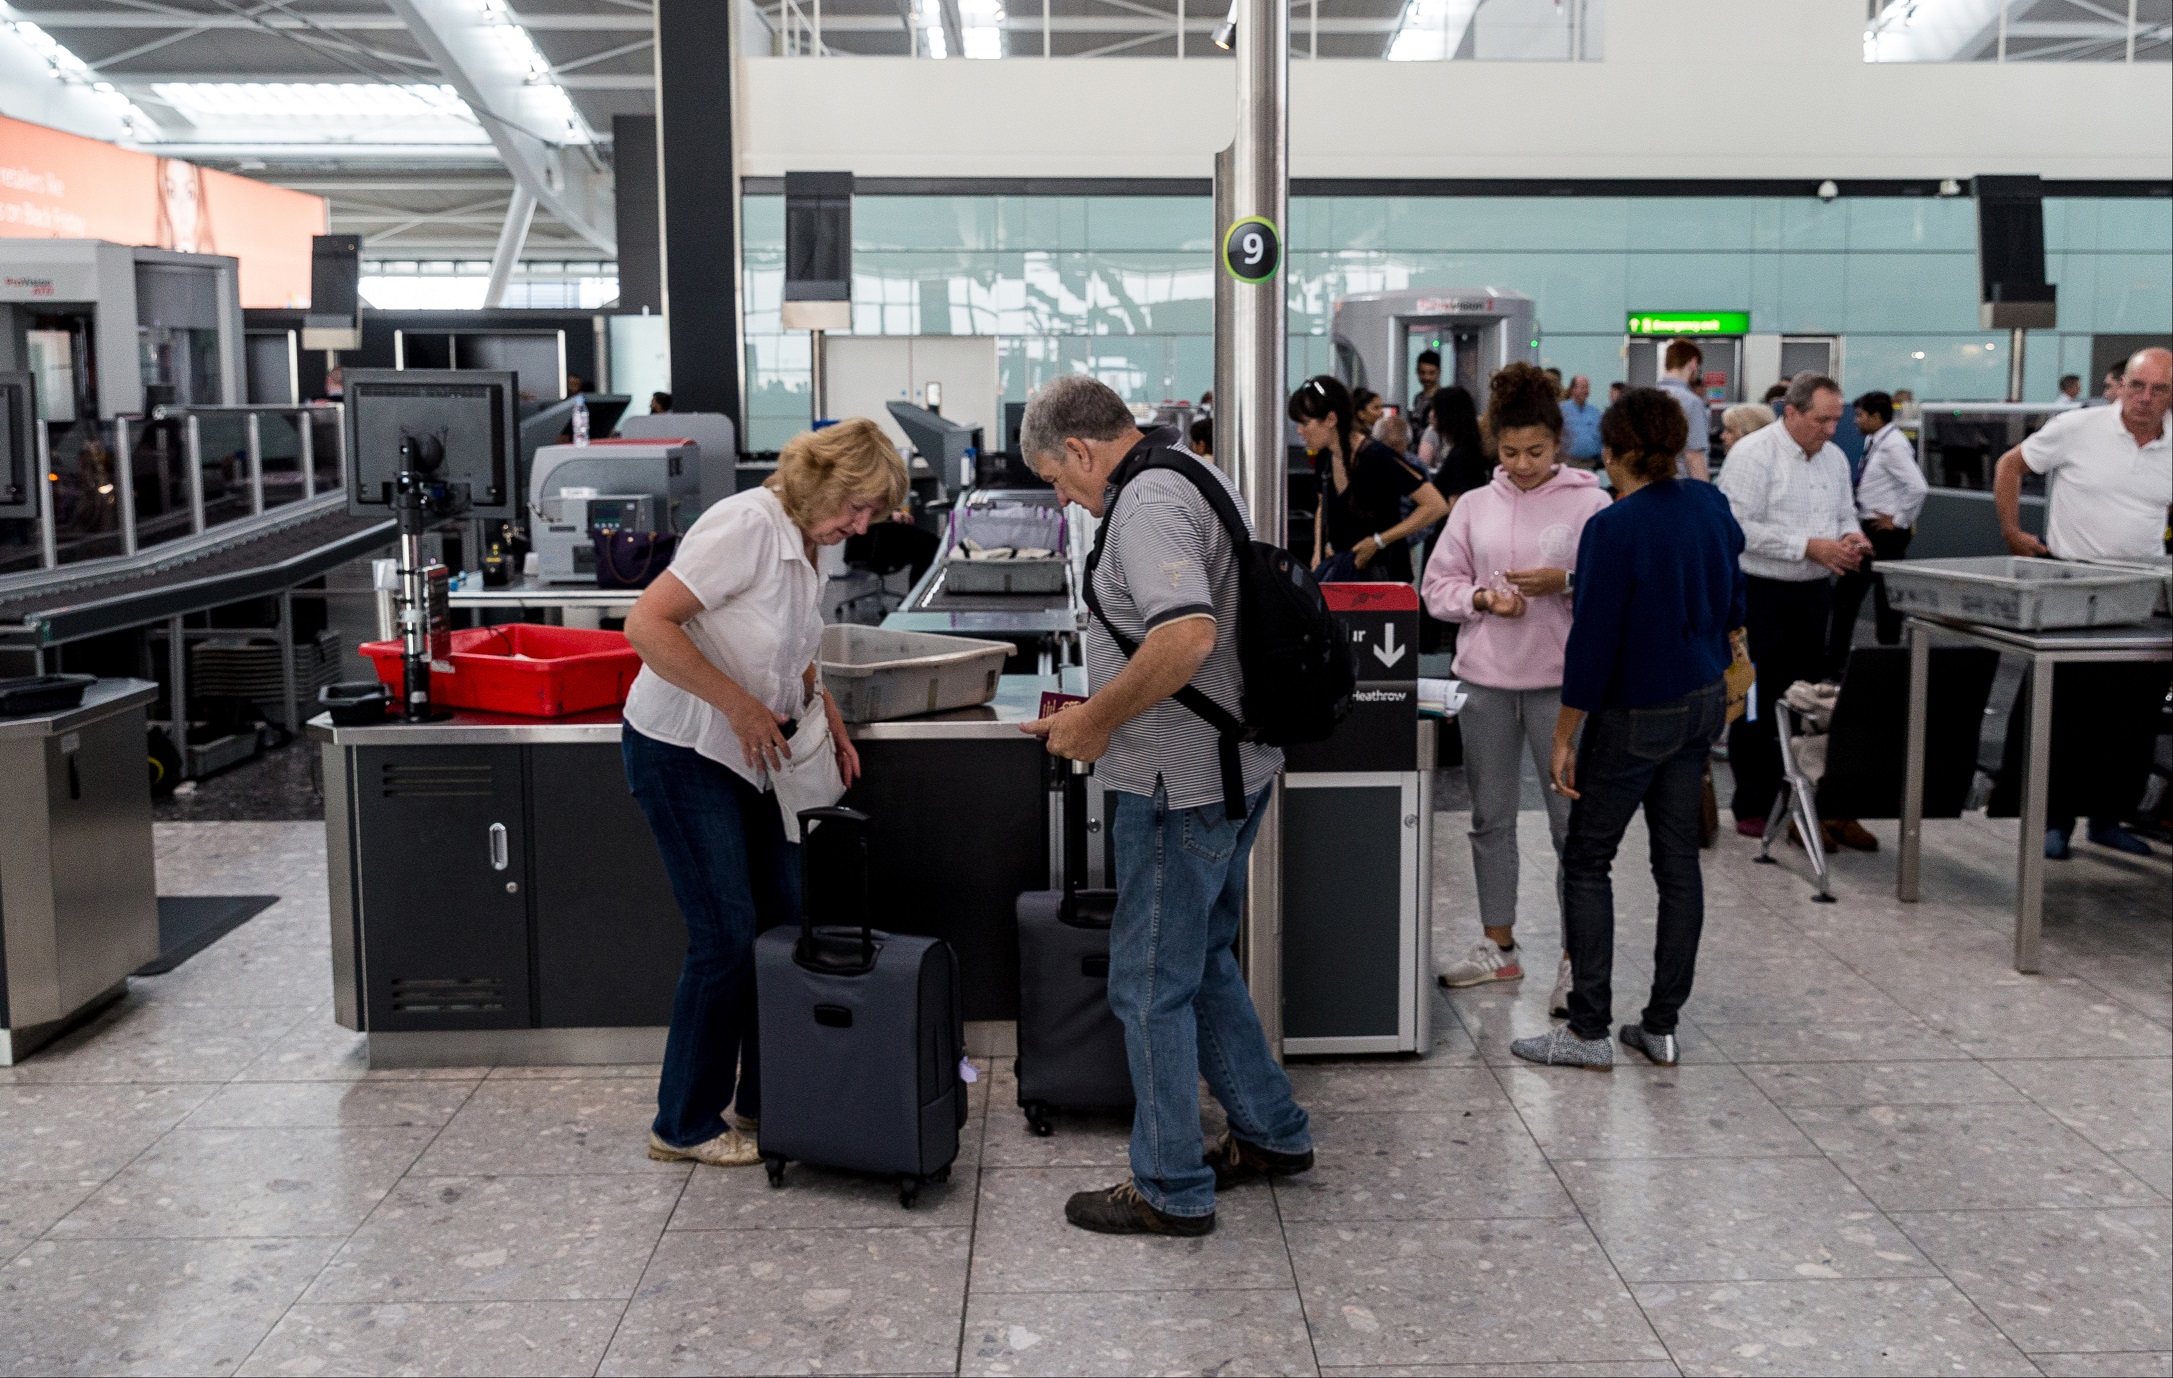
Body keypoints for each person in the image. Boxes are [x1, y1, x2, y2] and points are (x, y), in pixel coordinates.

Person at [1015, 375, 1311, 1236]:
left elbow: (1185, 635)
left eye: (1055, 478)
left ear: (1079, 448)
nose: (1061, 495)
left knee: (1147, 987)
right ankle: (1271, 1135)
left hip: (1179, 787)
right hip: (1236, 769)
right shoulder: (1193, 469)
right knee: (1203, 960)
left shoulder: (1142, 503)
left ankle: (1170, 1187)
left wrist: (1094, 723)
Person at [620, 418, 907, 1167]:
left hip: (754, 754)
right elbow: (647, 623)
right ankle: (680, 1123)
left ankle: (761, 1103)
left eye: (871, 512)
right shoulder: (744, 525)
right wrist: (738, 705)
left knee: (781, 922)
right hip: (684, 750)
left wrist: (830, 720)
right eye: (857, 506)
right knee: (723, 935)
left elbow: (794, 654)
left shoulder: (804, 542)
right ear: (822, 483)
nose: (860, 524)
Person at [1512, 389, 1746, 1070]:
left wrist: (1562, 734)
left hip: (1635, 713)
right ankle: (1661, 1026)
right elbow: (1734, 597)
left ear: (1608, 451)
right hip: (1700, 702)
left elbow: (1593, 645)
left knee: (1587, 860)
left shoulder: (1613, 528)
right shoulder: (1710, 503)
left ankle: (1586, 1031)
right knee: (1676, 864)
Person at [1422, 363, 1610, 1006]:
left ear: (1559, 441)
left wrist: (1567, 584)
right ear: (1492, 447)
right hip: (1486, 684)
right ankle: (1498, 946)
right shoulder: (1473, 505)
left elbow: (1617, 596)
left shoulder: (1592, 503)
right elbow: (1436, 589)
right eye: (1510, 452)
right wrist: (1480, 598)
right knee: (1489, 817)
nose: (1523, 464)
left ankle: (1573, 959)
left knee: (1571, 827)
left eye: (1535, 451)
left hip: (1565, 688)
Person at [1993, 346, 2173, 859]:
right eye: (2137, 385)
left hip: (2143, 596)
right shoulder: (2079, 428)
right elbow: (2011, 466)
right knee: (2064, 713)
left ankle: (2108, 817)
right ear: (2122, 384)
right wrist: (2011, 532)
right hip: (2072, 591)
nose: (2144, 398)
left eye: (2158, 389)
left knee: (2129, 717)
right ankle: (2053, 821)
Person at [1714, 374, 1869, 838]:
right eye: (1822, 420)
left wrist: (1851, 535)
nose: (1830, 430)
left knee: (1808, 700)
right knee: (1757, 700)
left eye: (1836, 420)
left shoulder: (1836, 459)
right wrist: (1808, 546)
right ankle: (1753, 803)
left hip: (1813, 594)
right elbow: (1737, 527)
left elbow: (1845, 511)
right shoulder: (1753, 455)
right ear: (1792, 412)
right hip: (1760, 592)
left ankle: (1803, 803)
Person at [1291, 375, 1449, 582]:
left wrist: (1379, 541)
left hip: (1384, 576)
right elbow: (1323, 504)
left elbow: (1435, 505)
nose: (1299, 431)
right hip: (1344, 573)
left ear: (1331, 419)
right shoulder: (1325, 456)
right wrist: (1318, 552)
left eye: (1305, 423)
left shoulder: (1376, 456)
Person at [1824, 390, 1926, 678]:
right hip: (1869, 529)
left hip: (1883, 534)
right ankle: (1872, 660)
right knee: (1868, 598)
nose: (1855, 421)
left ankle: (1850, 662)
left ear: (1876, 416)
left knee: (1867, 598)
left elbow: (1918, 486)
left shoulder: (1893, 446)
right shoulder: (1875, 441)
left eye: (1860, 415)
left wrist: (1900, 520)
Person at [1420, 385, 1490, 505]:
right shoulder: (1469, 449)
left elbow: (1457, 505)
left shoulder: (1461, 455)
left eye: (1435, 409)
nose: (1431, 415)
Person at [1656, 340, 1712, 480]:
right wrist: (1706, 497)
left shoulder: (1647, 398)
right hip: (1680, 486)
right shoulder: (1691, 402)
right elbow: (1694, 457)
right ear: (1693, 363)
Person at [1560, 375, 1603, 468]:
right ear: (1573, 389)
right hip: (1568, 464)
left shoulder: (1595, 412)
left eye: (1587, 387)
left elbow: (1601, 437)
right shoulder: (1562, 410)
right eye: (1583, 387)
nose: (1586, 391)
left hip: (1592, 464)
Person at [1411, 349, 1443, 420]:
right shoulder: (1418, 398)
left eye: (1431, 373)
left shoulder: (1444, 399)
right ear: (1417, 372)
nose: (1426, 377)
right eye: (1422, 372)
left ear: (1439, 372)